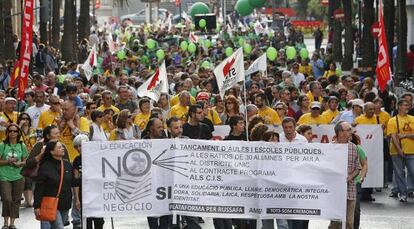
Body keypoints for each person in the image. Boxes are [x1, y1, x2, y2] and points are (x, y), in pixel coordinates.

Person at [34, 141, 74, 229]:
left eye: (62, 147)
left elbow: (73, 182)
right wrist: (37, 206)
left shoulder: (67, 164)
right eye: (59, 147)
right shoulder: (45, 167)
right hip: (51, 203)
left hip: (66, 202)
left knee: (59, 225)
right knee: (59, 227)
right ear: (52, 152)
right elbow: (39, 187)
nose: (62, 148)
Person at [329, 121, 360, 229]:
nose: (351, 132)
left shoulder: (354, 147)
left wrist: (351, 176)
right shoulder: (329, 148)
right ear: (340, 132)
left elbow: (358, 168)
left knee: (349, 223)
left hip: (350, 189)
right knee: (335, 223)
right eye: (349, 130)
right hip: (334, 191)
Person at [72, 134, 105, 229]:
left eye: (81, 145)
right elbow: (75, 180)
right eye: (76, 146)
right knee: (87, 223)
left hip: (97, 194)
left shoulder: (96, 157)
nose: (79, 148)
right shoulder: (77, 160)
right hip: (84, 195)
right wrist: (77, 199)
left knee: (99, 222)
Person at [0, 124, 28, 229]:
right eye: (10, 131)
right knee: (7, 198)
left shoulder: (22, 145)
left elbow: (25, 161)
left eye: (15, 131)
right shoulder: (2, 145)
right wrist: (7, 161)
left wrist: (19, 163)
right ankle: (5, 223)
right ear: (7, 132)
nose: (12, 133)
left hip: (19, 175)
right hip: (4, 175)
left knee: (16, 200)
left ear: (18, 133)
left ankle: (12, 223)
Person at [386, 99, 414, 202]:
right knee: (399, 173)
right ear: (399, 107)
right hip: (396, 151)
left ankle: (409, 190)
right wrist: (399, 150)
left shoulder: (412, 119)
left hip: (411, 150)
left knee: (412, 171)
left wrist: (405, 135)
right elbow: (393, 136)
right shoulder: (393, 120)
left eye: (409, 105)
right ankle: (403, 193)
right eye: (405, 105)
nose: (407, 107)